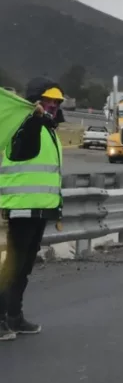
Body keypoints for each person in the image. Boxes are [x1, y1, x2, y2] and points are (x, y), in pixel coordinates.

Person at [0, 77, 66, 340]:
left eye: (56, 102)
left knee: (24, 266)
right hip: (21, 207)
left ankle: (14, 317)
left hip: (40, 208)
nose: (53, 105)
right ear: (35, 101)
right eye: (47, 100)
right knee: (13, 266)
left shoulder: (49, 131)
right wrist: (34, 116)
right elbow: (24, 147)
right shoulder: (26, 126)